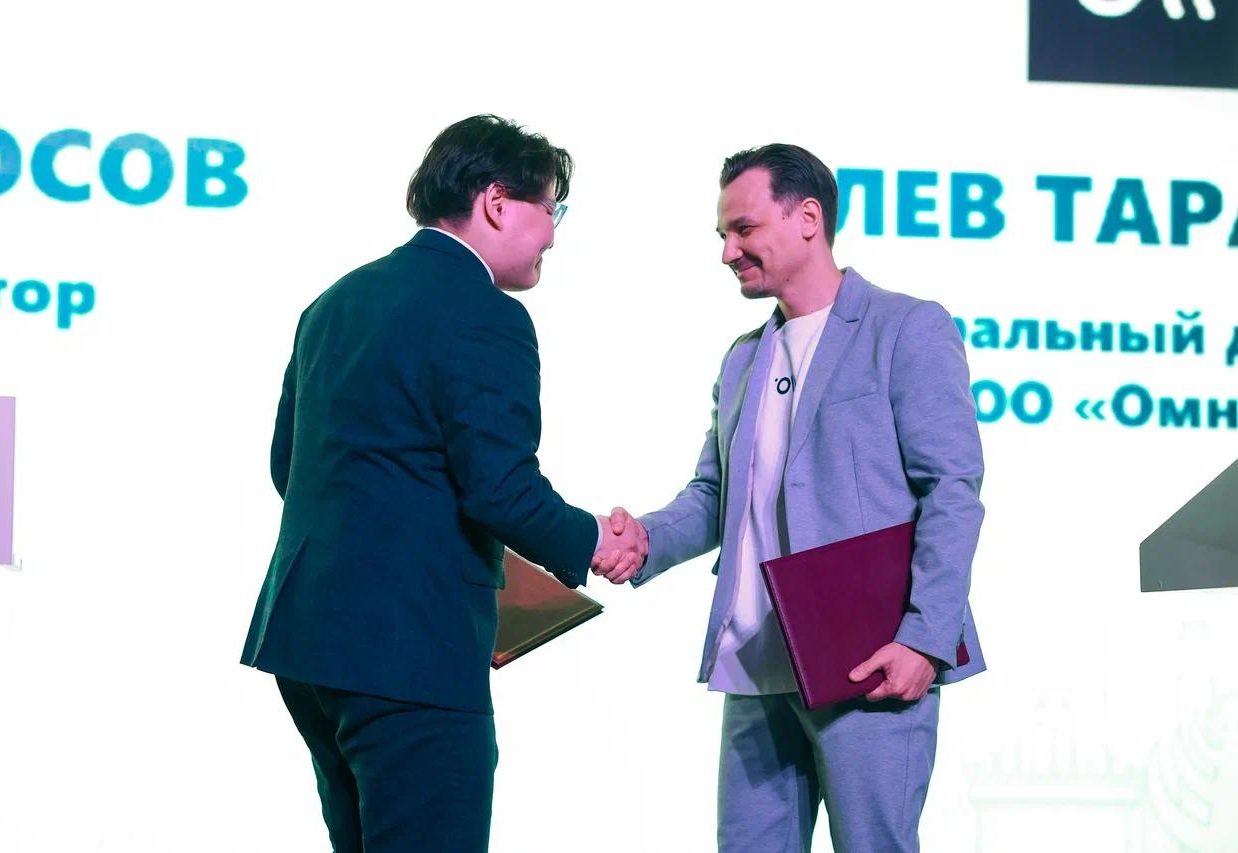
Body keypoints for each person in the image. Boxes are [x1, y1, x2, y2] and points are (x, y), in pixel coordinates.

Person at [241, 114, 646, 853]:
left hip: (309, 647)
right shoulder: (486, 314)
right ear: (497, 202)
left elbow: (290, 468)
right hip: (411, 653)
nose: (553, 235)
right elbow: (500, 490)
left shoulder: (335, 302)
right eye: (550, 209)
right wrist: (595, 539)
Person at [594, 144, 987, 852]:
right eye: (723, 235)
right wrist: (644, 540)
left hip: (868, 659)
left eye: (743, 229)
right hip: (756, 665)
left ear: (808, 217)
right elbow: (716, 495)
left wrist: (925, 639)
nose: (728, 252)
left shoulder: (907, 326)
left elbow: (952, 491)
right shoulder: (744, 355)